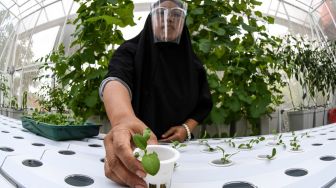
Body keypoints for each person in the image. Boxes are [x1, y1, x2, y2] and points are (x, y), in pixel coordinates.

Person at [100, 0, 212, 187]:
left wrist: (185, 129)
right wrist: (122, 119)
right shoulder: (130, 52)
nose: (168, 19)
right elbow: (116, 80)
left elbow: (204, 104)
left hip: (181, 152)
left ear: (183, 20)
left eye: (176, 14)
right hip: (137, 149)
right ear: (151, 17)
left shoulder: (194, 65)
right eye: (161, 12)